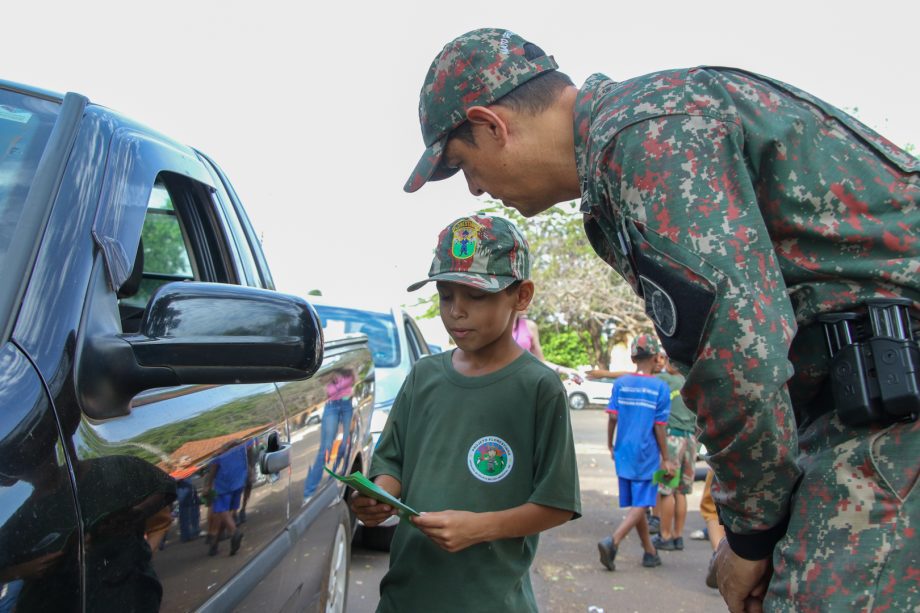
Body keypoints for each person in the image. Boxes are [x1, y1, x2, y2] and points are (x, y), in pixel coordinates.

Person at [404, 28, 919, 612]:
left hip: (893, 397)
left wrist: (750, 535)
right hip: (857, 398)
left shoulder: (644, 140)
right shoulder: (626, 151)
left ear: (492, 125)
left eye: (463, 164)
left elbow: (736, 357)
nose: (475, 189)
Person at [350, 214, 581, 612]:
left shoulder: (538, 388)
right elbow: (392, 464)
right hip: (405, 597)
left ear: (521, 296)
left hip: (490, 601)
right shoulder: (423, 376)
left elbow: (557, 503)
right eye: (445, 295)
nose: (456, 311)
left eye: (476, 296)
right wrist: (378, 497)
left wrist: (480, 528)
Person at [597, 333, 671, 571]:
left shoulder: (621, 383)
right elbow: (660, 427)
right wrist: (666, 458)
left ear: (633, 357)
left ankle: (650, 552)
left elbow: (612, 417)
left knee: (638, 504)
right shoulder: (660, 387)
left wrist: (610, 444)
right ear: (655, 358)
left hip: (623, 451)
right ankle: (613, 541)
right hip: (646, 452)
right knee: (644, 501)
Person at [651, 355, 697, 552]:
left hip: (672, 440)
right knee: (682, 492)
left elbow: (640, 376)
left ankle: (665, 535)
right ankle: (678, 536)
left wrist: (603, 374)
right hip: (690, 440)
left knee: (665, 489)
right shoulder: (691, 382)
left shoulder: (666, 380)